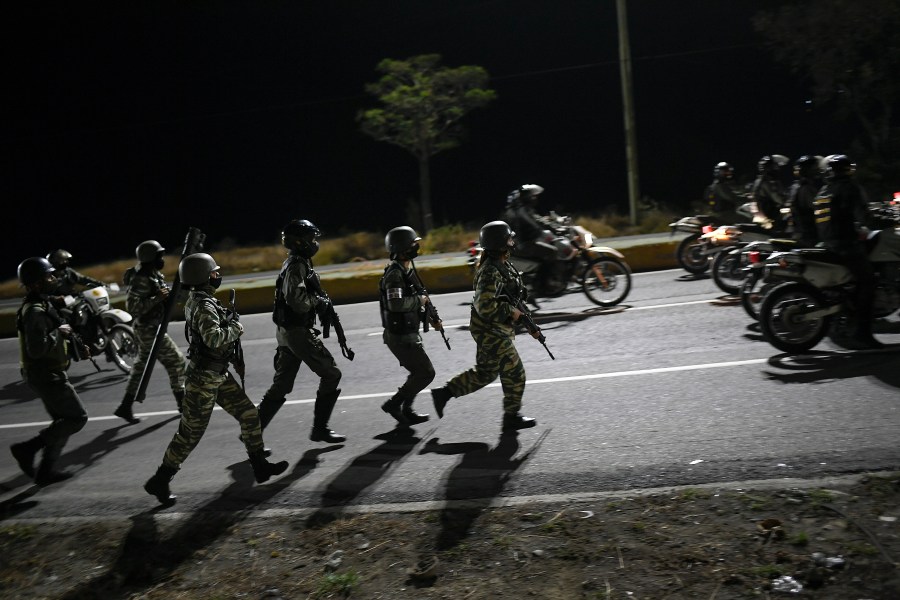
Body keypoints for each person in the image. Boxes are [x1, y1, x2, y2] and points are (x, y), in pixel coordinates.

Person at [143, 253, 288, 505]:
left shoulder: (200, 300)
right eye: (213, 272)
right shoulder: (203, 305)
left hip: (217, 374)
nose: (217, 276)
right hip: (203, 380)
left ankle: (260, 467)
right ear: (202, 277)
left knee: (248, 414)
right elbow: (214, 338)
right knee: (190, 434)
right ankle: (160, 480)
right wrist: (236, 328)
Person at [430, 221, 539, 433]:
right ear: (499, 243)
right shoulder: (490, 271)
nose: (512, 242)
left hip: (494, 328)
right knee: (515, 372)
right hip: (490, 330)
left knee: (486, 373)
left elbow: (514, 298)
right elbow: (485, 306)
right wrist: (513, 313)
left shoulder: (503, 264)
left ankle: (444, 393)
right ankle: (511, 417)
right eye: (508, 239)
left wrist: (529, 323)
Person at [256, 219, 346, 444]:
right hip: (296, 332)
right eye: (311, 239)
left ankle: (252, 432)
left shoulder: (299, 262)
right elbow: (297, 301)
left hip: (288, 331)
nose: (315, 243)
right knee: (331, 373)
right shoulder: (296, 265)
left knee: (282, 385)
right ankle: (320, 429)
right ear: (300, 242)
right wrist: (318, 301)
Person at [10, 257, 89, 485]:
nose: (54, 278)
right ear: (35, 284)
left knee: (62, 423)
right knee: (77, 418)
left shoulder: (43, 303)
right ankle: (27, 449)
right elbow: (36, 349)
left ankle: (45, 472)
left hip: (46, 372)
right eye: (49, 276)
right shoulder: (33, 311)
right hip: (45, 374)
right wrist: (59, 333)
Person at [114, 240, 186, 424]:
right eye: (159, 255)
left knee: (140, 367)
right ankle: (183, 405)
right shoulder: (141, 278)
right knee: (176, 362)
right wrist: (157, 298)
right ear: (150, 258)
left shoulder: (152, 274)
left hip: (151, 327)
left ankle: (125, 406)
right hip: (149, 329)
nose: (162, 258)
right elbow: (133, 307)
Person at [813, 154, 881, 349]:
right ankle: (862, 333)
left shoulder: (823, 191)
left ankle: (841, 320)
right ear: (846, 170)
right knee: (868, 282)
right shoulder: (849, 187)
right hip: (845, 245)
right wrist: (885, 221)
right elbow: (865, 217)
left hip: (828, 243)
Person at [378, 226, 436, 427]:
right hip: (400, 336)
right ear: (401, 248)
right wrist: (419, 301)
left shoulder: (407, 269)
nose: (416, 247)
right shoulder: (394, 275)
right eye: (412, 244)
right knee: (426, 373)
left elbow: (419, 294)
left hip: (408, 333)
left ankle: (407, 409)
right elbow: (395, 304)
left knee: (417, 373)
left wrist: (431, 317)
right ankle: (394, 405)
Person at [787, 155, 824, 248]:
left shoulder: (795, 186)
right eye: (814, 167)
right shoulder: (806, 188)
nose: (817, 169)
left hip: (799, 232)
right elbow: (817, 207)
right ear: (808, 169)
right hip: (809, 235)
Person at [752, 155, 790, 232]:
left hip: (765, 213)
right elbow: (776, 197)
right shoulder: (766, 182)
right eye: (775, 167)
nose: (777, 169)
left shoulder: (760, 180)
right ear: (769, 168)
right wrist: (788, 202)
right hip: (769, 215)